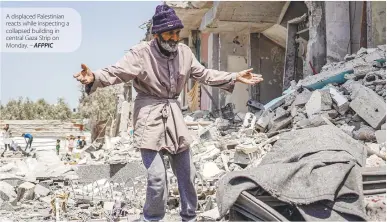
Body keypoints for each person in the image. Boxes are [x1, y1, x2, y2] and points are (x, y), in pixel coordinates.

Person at [73, 4, 263, 221]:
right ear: (157, 34)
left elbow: (204, 74)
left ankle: (189, 216)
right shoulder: (141, 53)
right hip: (148, 116)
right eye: (169, 33)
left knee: (187, 174)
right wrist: (94, 78)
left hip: (174, 117)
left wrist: (234, 77)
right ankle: (152, 218)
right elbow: (117, 72)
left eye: (176, 33)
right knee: (156, 178)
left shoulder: (184, 52)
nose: (174, 38)